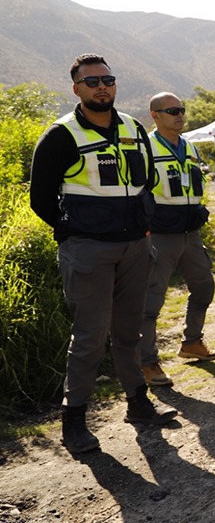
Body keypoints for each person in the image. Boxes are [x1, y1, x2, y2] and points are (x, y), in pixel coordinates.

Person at [29, 53, 176, 454]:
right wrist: (75, 232)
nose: (101, 87)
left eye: (107, 80)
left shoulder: (133, 128)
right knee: (91, 337)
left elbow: (144, 181)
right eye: (91, 81)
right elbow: (40, 199)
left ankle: (138, 405)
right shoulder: (61, 135)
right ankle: (74, 421)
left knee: (130, 332)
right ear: (76, 88)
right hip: (88, 250)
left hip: (135, 246)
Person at [138, 92, 215, 388]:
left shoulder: (190, 147)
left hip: (190, 232)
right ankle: (146, 362)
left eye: (181, 110)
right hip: (159, 233)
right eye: (172, 110)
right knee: (151, 300)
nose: (179, 115)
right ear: (155, 115)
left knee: (204, 287)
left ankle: (192, 342)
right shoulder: (144, 147)